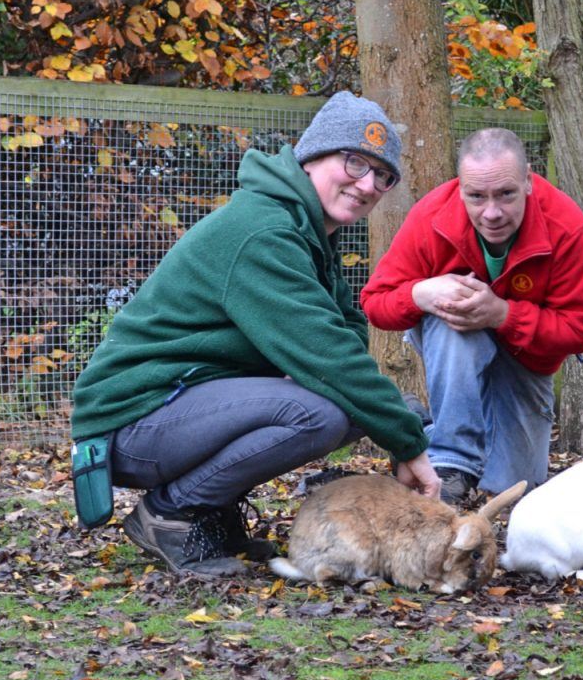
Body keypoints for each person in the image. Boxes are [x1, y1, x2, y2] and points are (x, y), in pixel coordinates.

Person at [71, 92, 440, 577]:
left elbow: (343, 332)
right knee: (321, 413)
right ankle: (171, 514)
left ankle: (211, 515)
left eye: (382, 175)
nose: (367, 184)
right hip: (133, 422)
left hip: (182, 409)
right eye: (354, 163)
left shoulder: (308, 231)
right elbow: (328, 356)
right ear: (313, 156)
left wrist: (394, 424)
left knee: (358, 407)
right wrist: (408, 446)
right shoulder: (263, 231)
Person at [360, 128, 583, 503]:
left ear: (527, 180)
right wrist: (420, 292)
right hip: (455, 346)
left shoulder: (564, 224)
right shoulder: (431, 215)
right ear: (460, 187)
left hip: (527, 363)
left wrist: (503, 314)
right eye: (476, 196)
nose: (491, 213)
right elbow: (375, 303)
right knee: (450, 312)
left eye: (506, 194)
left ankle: (419, 432)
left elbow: (580, 330)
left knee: (510, 488)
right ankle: (452, 461)